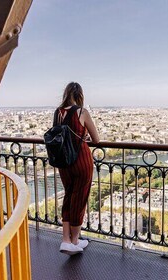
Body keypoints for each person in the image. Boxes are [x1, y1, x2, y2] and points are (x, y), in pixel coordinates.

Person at [56, 82, 99, 255]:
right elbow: (96, 139)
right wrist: (84, 135)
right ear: (80, 95)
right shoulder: (82, 112)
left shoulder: (58, 112)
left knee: (68, 197)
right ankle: (75, 240)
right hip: (81, 160)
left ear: (65, 93)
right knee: (79, 199)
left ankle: (65, 240)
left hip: (63, 161)